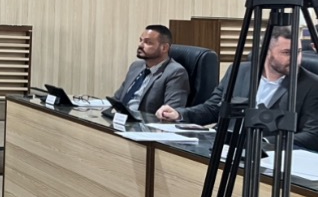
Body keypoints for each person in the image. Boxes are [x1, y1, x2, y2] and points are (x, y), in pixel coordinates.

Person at [156, 26, 318, 151]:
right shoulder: (239, 71)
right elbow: (214, 108)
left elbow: (312, 135)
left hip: (270, 157)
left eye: (298, 52)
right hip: (225, 147)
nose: (296, 59)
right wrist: (180, 114)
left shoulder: (311, 84)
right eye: (286, 53)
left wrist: (263, 142)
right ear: (267, 52)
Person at [113, 24, 189, 114]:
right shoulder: (136, 66)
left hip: (144, 121)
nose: (140, 45)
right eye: (140, 40)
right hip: (120, 118)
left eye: (148, 42)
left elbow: (170, 112)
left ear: (164, 48)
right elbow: (117, 99)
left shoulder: (176, 72)